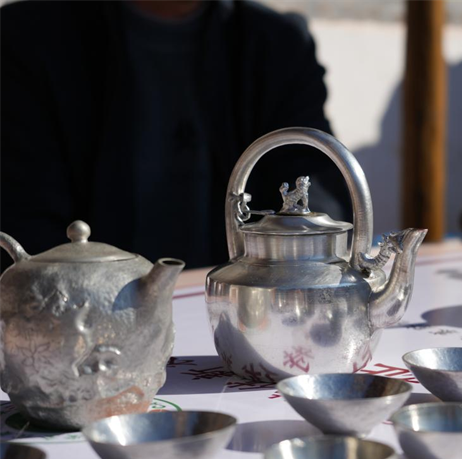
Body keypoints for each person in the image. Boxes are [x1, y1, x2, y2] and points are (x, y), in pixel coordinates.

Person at [0, 0, 350, 270]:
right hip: (82, 318)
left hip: (240, 316)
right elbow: (23, 228)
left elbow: (316, 195)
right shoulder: (27, 39)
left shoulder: (277, 45)